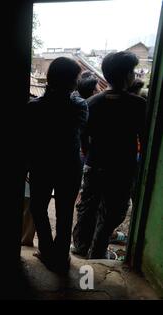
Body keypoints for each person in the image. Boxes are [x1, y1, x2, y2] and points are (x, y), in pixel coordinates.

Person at [71, 51, 145, 259]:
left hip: (95, 164)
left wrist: (88, 156)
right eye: (132, 70)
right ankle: (98, 251)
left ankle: (80, 246)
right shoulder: (138, 105)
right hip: (122, 168)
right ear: (126, 75)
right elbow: (144, 138)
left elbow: (83, 137)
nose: (134, 74)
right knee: (113, 211)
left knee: (87, 207)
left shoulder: (93, 103)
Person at [26, 57, 87, 273]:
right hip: (69, 167)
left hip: (41, 166)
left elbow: (28, 141)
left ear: (50, 78)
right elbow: (80, 134)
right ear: (72, 82)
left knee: (38, 208)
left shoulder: (34, 107)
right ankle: (61, 256)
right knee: (64, 211)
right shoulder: (79, 106)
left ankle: (47, 251)